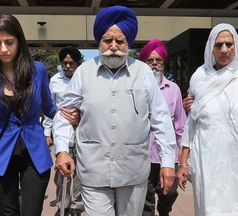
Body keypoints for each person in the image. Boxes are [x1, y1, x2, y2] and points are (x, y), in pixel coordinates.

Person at [52, 5, 177, 216]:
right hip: (93, 170)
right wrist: (62, 149)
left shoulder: (143, 72)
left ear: (127, 43)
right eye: (107, 40)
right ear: (99, 42)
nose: (113, 46)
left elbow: (161, 119)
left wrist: (167, 162)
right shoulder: (83, 72)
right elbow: (64, 114)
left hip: (133, 171)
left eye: (119, 41)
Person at [0, 14, 75, 216]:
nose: (3, 49)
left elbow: (49, 106)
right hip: (1, 152)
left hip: (35, 152)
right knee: (8, 212)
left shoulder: (37, 70)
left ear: (19, 41)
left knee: (31, 211)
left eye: (9, 42)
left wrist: (69, 115)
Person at [177, 23, 238, 216]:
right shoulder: (199, 77)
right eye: (218, 45)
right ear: (211, 47)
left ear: (237, 46)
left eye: (229, 44)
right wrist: (183, 162)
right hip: (206, 160)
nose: (224, 50)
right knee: (209, 208)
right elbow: (191, 123)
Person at [139, 38, 187, 216]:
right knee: (146, 198)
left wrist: (182, 152)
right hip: (143, 155)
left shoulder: (173, 88)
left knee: (170, 192)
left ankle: (164, 210)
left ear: (163, 63)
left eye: (158, 60)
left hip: (167, 154)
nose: (154, 64)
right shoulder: (136, 87)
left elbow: (180, 124)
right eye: (150, 60)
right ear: (144, 63)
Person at [42, 45, 84, 216]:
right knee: (61, 172)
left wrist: (79, 116)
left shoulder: (84, 78)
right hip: (61, 133)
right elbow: (49, 108)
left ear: (77, 64)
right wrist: (47, 133)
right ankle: (63, 205)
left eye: (71, 63)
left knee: (80, 172)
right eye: (64, 63)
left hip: (81, 131)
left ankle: (76, 206)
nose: (67, 66)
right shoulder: (55, 81)